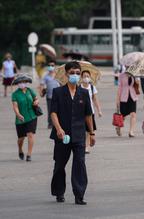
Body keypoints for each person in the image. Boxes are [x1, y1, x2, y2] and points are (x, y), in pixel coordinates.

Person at [50, 61, 95, 205]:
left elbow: (88, 115)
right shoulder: (58, 92)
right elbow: (53, 113)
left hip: (79, 135)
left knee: (80, 164)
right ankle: (59, 192)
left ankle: (79, 194)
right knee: (59, 165)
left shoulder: (84, 93)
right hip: (61, 135)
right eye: (72, 73)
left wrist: (92, 133)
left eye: (77, 73)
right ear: (66, 74)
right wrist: (58, 129)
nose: (75, 75)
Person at [11, 74, 38, 162]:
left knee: (30, 135)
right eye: (20, 82)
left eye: (24, 82)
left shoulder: (30, 90)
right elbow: (15, 106)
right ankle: (20, 149)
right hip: (21, 118)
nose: (22, 83)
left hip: (32, 116)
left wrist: (36, 102)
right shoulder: (15, 94)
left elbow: (36, 98)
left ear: (26, 82)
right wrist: (18, 114)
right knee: (21, 138)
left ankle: (29, 154)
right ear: (17, 83)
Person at [80, 70, 102, 154]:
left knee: (89, 130)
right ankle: (81, 144)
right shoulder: (79, 87)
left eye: (87, 76)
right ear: (81, 78)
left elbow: (95, 99)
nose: (86, 78)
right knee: (82, 130)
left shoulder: (92, 87)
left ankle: (86, 147)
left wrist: (99, 110)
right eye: (84, 76)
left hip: (90, 112)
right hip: (80, 112)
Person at [116, 72, 140, 137]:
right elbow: (119, 88)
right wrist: (117, 100)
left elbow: (137, 85)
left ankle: (131, 131)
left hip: (132, 97)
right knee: (123, 116)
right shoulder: (121, 75)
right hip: (123, 97)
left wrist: (137, 81)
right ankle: (118, 127)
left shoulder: (134, 74)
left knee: (133, 114)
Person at [39, 60, 60, 129]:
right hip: (49, 96)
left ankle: (57, 123)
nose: (51, 67)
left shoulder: (58, 75)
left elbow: (62, 84)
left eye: (52, 65)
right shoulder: (46, 76)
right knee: (50, 111)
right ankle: (50, 123)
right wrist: (41, 92)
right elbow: (42, 84)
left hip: (58, 96)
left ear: (55, 66)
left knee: (58, 110)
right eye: (50, 65)